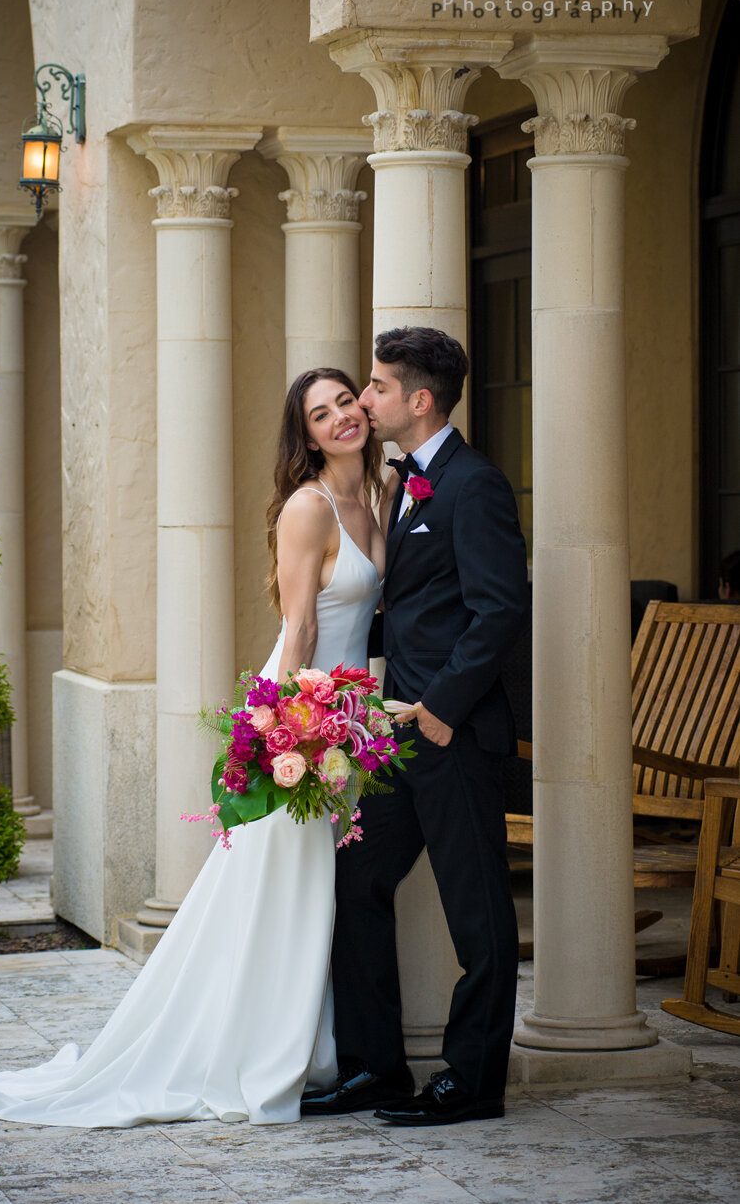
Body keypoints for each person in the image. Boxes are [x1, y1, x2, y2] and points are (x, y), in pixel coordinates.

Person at [0, 367, 384, 1128]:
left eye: (347, 401)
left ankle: (315, 1047)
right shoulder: (310, 508)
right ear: (305, 433)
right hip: (302, 709)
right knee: (278, 880)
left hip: (348, 715)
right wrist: (291, 729)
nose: (342, 417)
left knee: (313, 887)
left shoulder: (375, 499)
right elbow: (301, 624)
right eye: (322, 413)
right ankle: (258, 1051)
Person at [302, 326, 528, 1126]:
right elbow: (405, 613)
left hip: (452, 732)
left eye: (376, 386)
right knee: (356, 879)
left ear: (418, 399)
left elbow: (501, 610)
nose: (364, 400)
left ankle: (472, 1082)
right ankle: (375, 1068)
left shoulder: (475, 485)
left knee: (478, 913)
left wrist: (439, 710)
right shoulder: (409, 485)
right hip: (401, 731)